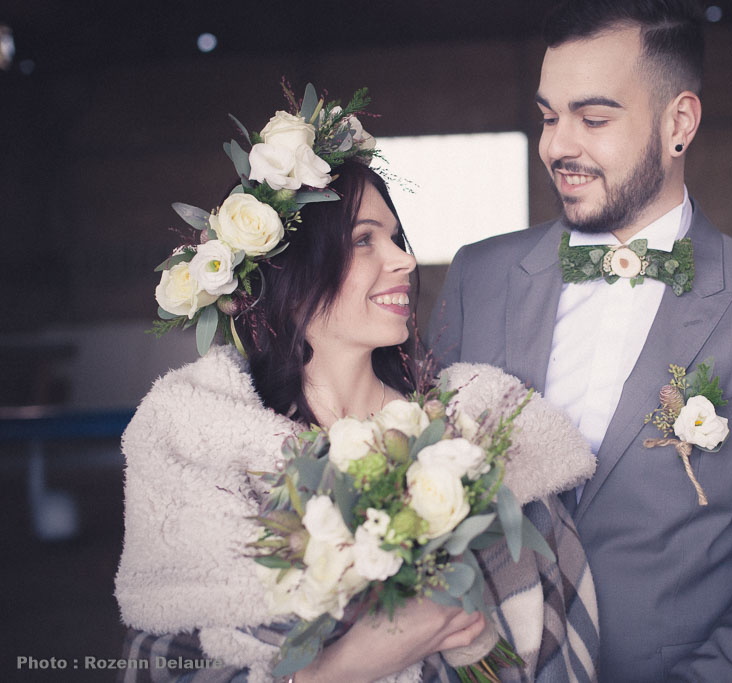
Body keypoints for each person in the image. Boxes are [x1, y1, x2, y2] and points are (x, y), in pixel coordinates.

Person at [115, 101, 599, 683]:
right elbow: (166, 661)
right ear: (289, 272)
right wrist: (340, 669)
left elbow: (551, 635)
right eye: (365, 240)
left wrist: (473, 643)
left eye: (394, 237)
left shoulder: (476, 428)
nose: (405, 260)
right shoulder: (203, 446)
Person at [430, 1, 732, 680]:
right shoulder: (480, 275)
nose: (557, 146)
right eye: (548, 116)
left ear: (679, 123)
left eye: (593, 119)